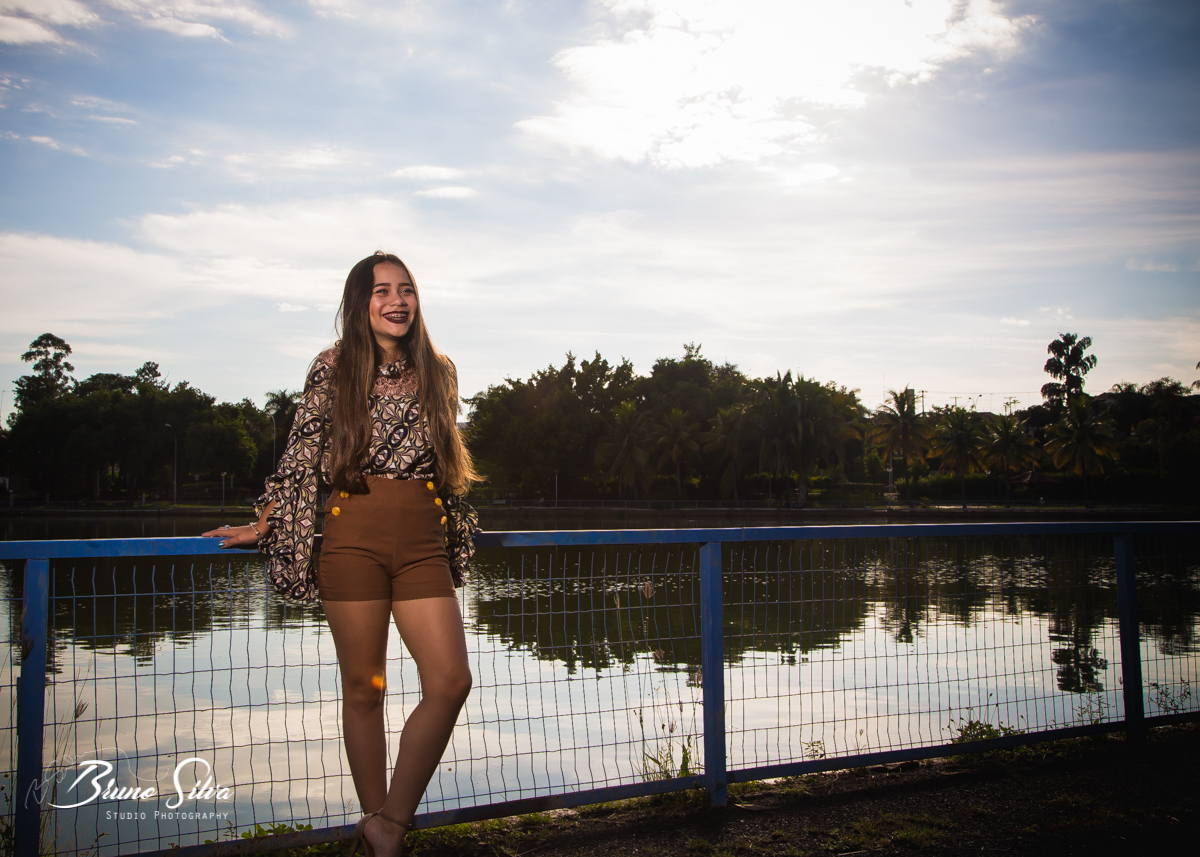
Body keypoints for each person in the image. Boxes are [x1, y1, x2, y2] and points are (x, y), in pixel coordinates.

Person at [204, 251, 480, 857]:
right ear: (360, 304)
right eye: (382, 291)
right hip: (350, 534)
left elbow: (448, 464)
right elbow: (303, 453)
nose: (397, 301)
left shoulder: (440, 371)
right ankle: (377, 825)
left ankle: (391, 820)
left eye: (405, 289)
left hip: (421, 541)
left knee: (451, 681)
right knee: (365, 688)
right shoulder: (333, 368)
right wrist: (264, 521)